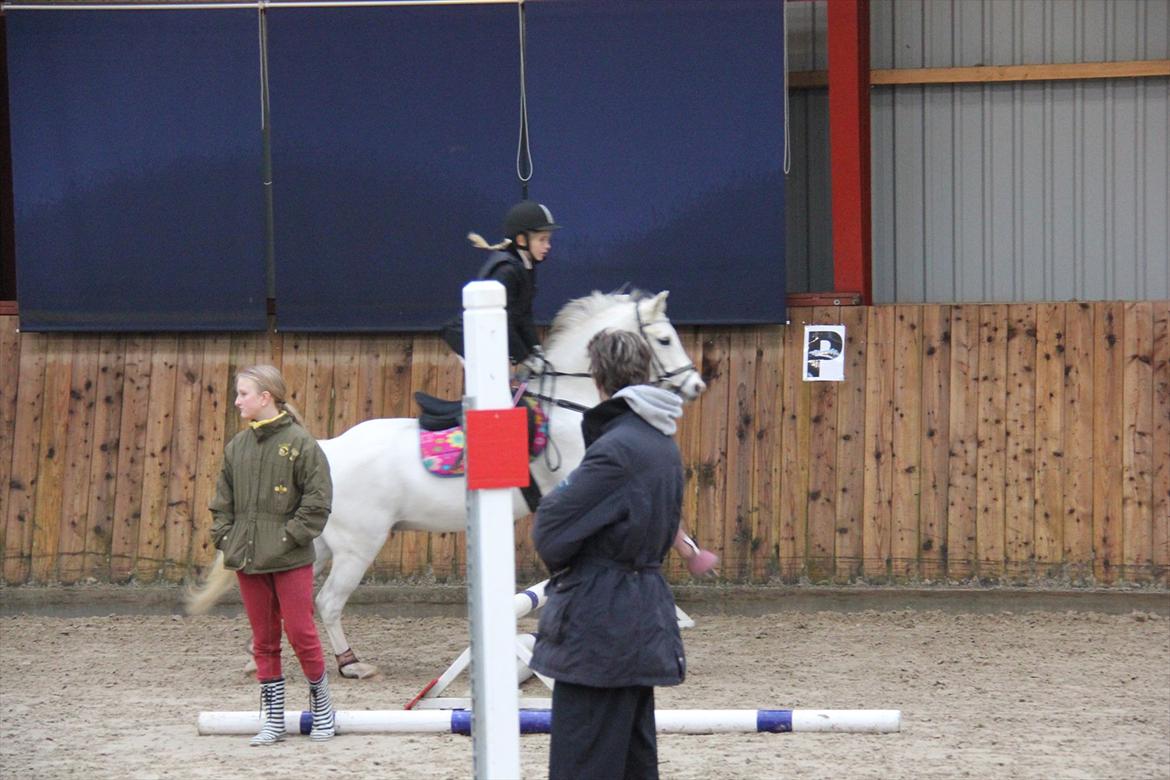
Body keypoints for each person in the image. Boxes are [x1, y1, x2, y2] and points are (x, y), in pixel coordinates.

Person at [529, 329, 687, 780]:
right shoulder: (661, 443)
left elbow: (552, 530)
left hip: (601, 627)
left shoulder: (616, 450)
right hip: (639, 618)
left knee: (584, 762)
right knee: (632, 764)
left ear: (598, 377)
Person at [209, 365, 335, 745]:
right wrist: (225, 538)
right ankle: (273, 718)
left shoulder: (301, 444)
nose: (237, 401)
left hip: (290, 558)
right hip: (247, 559)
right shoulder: (237, 447)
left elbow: (317, 501)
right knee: (263, 639)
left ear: (265, 397)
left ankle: (323, 708)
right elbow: (222, 502)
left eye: (243, 394)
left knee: (301, 632)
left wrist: (289, 537)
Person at [440, 199, 562, 368]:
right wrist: (525, 358)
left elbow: (524, 315)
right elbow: (503, 320)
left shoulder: (527, 266)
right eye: (542, 240)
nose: (547, 246)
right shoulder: (506, 270)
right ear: (521, 240)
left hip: (493, 333)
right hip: (473, 338)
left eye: (548, 240)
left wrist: (537, 350)